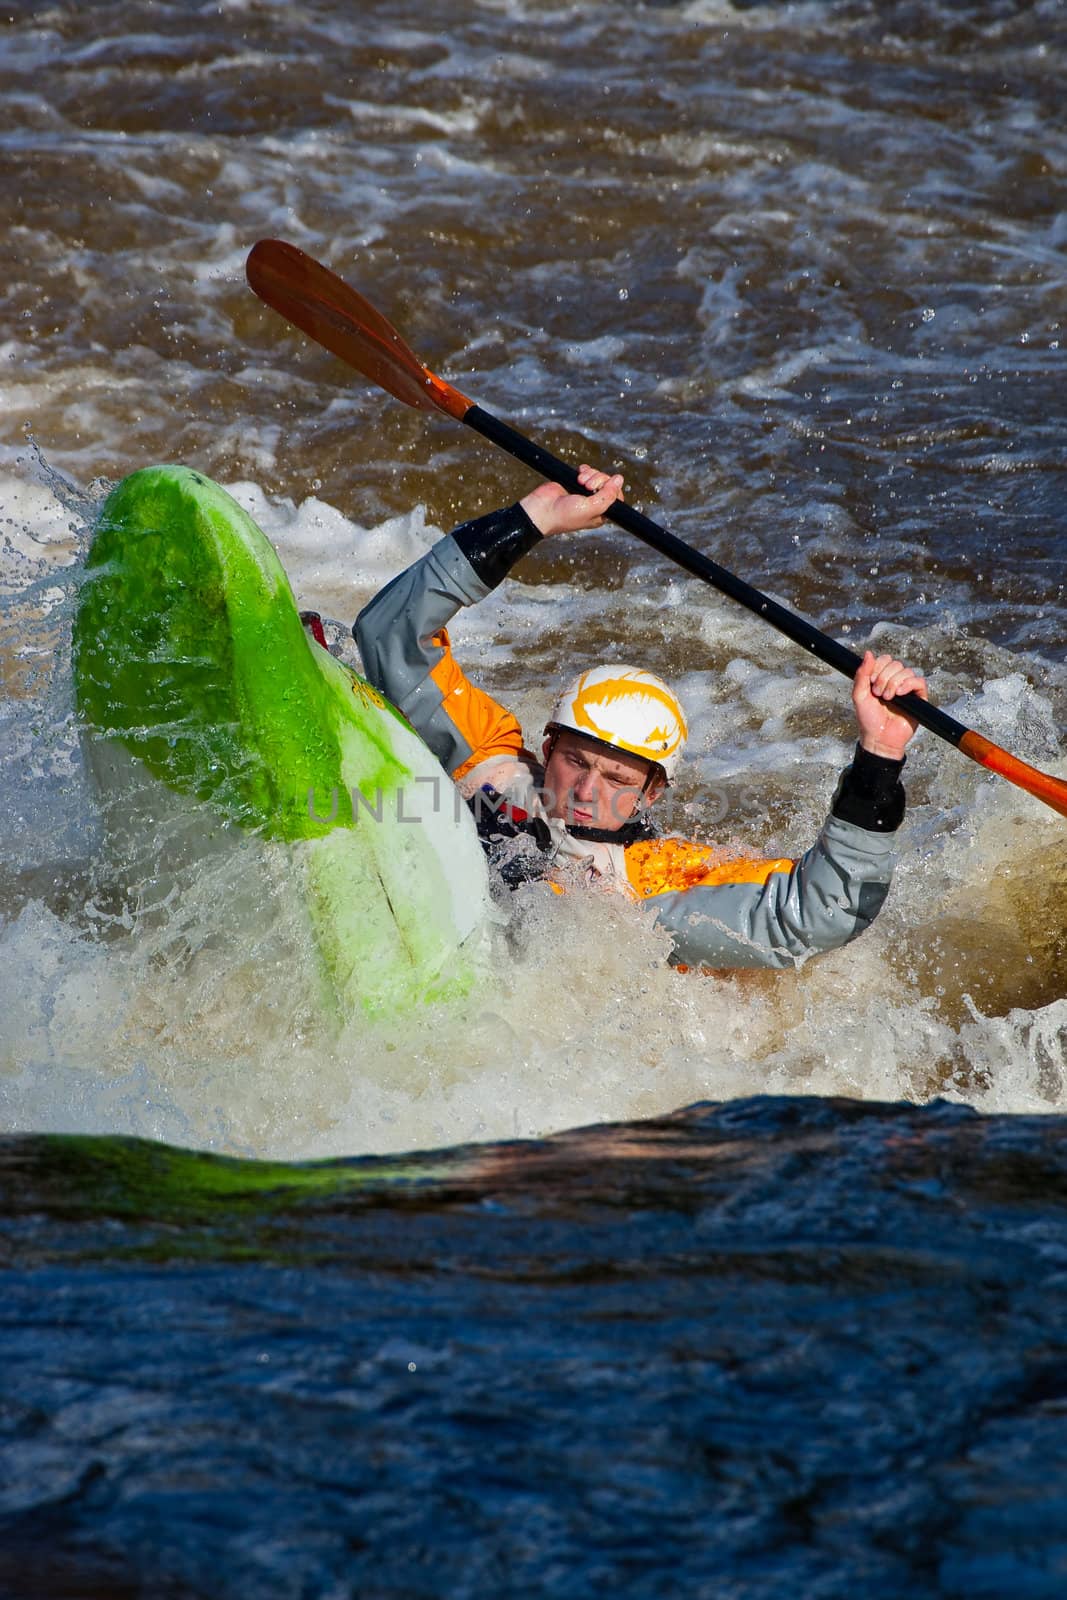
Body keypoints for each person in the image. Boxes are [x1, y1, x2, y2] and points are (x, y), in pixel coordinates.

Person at [354, 466, 928, 971]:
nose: (584, 789)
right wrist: (533, 519)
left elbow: (817, 914)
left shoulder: (658, 881)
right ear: (548, 746)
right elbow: (391, 635)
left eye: (618, 780)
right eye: (575, 761)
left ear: (651, 794)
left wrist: (879, 756)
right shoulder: (492, 758)